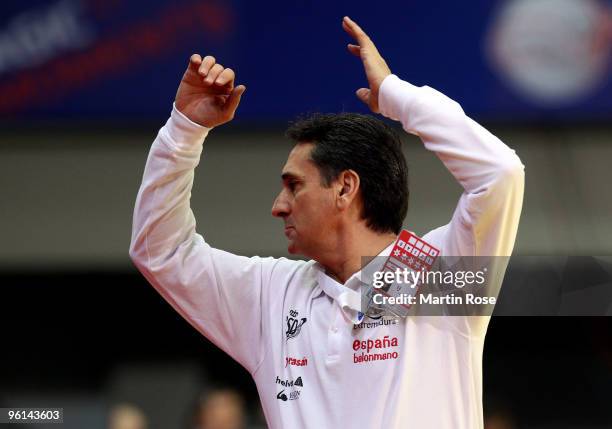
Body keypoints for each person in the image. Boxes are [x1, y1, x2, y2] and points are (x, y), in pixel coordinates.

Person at [130, 16, 524, 429]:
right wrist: (184, 128)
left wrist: (394, 95)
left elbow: (500, 174)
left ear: (345, 188)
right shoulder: (272, 294)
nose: (278, 206)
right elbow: (161, 252)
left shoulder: (434, 273)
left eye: (294, 186)